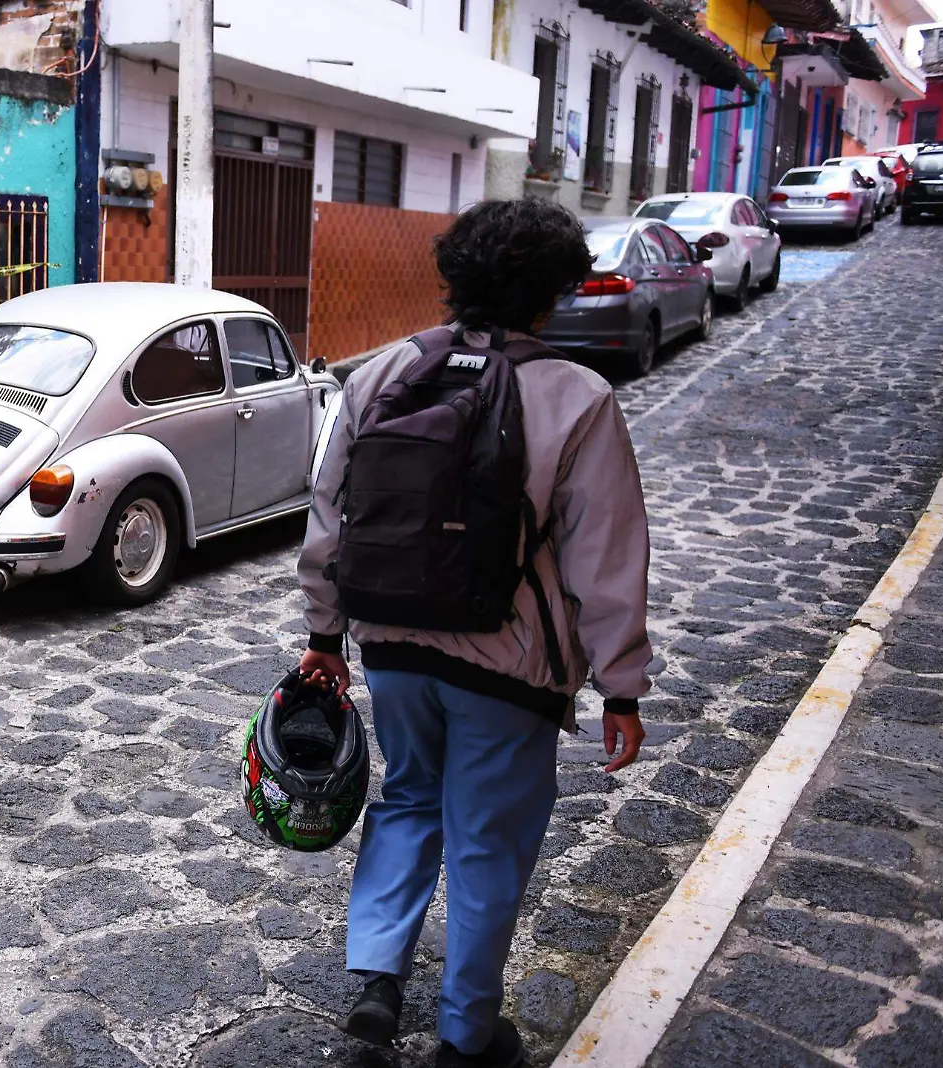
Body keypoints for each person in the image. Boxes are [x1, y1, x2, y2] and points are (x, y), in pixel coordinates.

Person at [297, 197, 653, 1068]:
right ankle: (465, 1034)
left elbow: (329, 516)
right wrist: (622, 684)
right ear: (553, 295)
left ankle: (379, 983)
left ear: (453, 277)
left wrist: (326, 637)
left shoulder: (379, 375)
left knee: (410, 799)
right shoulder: (578, 398)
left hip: (390, 646)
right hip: (509, 666)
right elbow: (606, 554)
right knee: (488, 840)